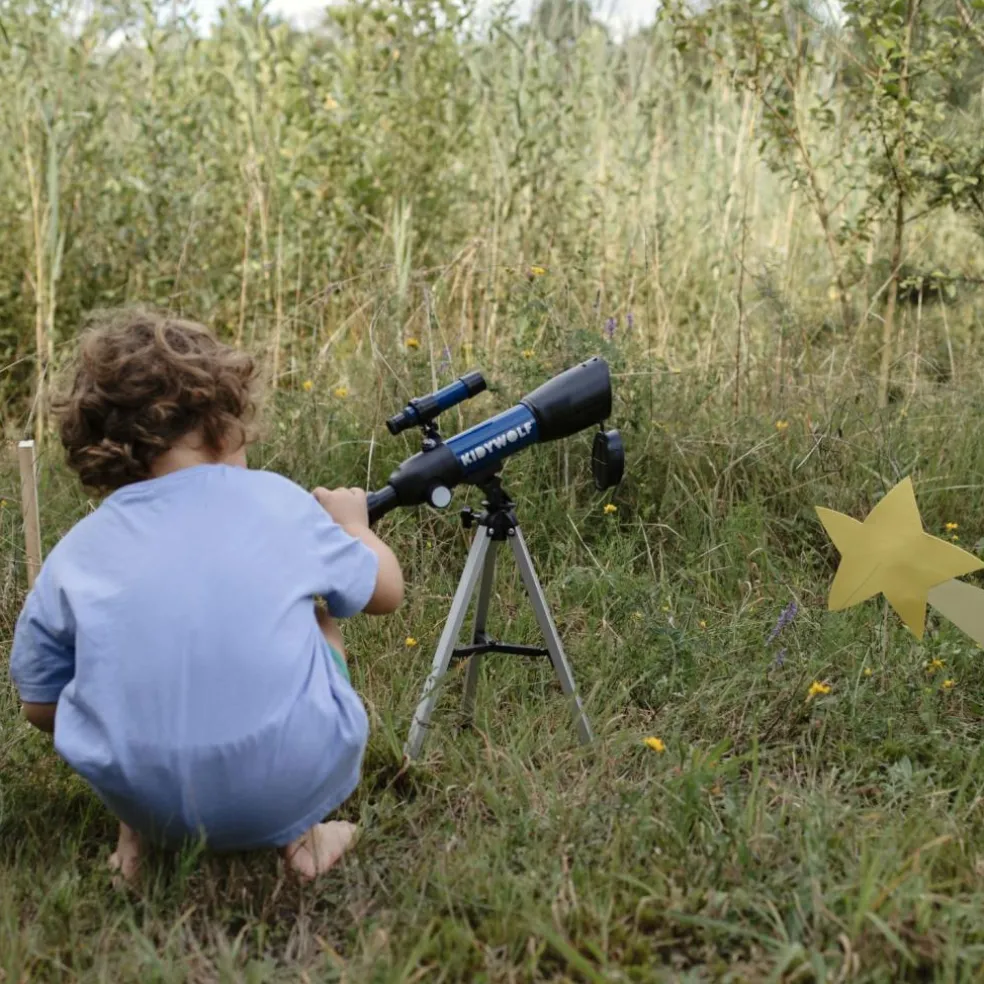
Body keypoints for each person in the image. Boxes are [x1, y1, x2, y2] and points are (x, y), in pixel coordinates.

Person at [7, 309, 404, 887]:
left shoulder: (77, 551)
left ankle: (136, 846)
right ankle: (305, 838)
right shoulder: (279, 501)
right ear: (222, 423)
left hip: (145, 798)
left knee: (120, 674)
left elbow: (39, 705)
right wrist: (355, 525)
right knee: (318, 617)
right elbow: (386, 593)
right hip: (288, 780)